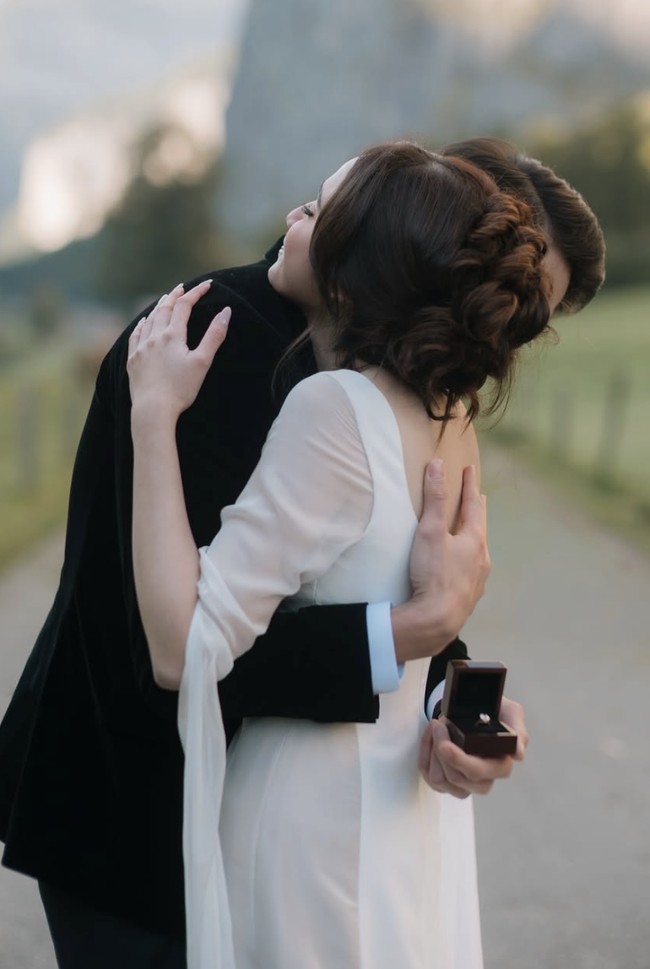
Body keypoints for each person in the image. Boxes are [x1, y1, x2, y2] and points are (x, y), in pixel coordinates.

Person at [0, 136, 604, 969]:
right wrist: (407, 629)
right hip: (135, 818)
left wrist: (451, 705)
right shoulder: (204, 344)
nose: (498, 321)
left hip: (295, 823)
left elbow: (385, 581)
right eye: (507, 279)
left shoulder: (422, 391)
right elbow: (173, 643)